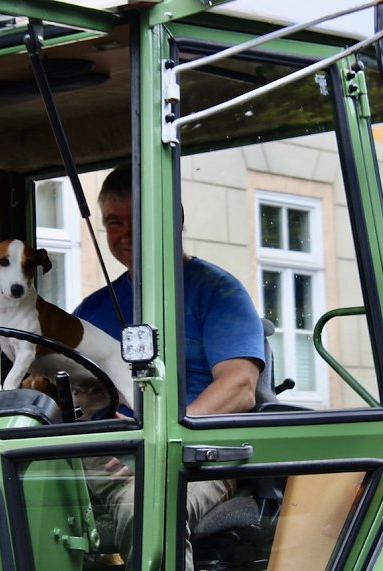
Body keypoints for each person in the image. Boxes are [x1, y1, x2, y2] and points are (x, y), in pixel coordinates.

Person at [73, 164, 265, 570]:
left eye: (138, 220)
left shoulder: (217, 292)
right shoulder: (92, 310)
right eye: (114, 222)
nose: (126, 235)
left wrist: (157, 445)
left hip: (195, 456)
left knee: (150, 507)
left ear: (173, 220)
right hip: (101, 456)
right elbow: (70, 391)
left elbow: (240, 386)